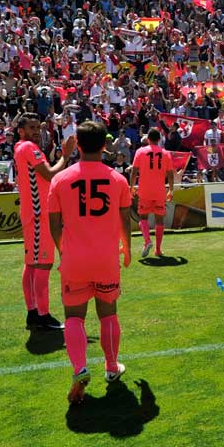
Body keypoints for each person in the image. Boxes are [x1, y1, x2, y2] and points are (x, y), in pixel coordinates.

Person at [47, 121, 133, 403]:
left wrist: (65, 251)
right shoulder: (118, 180)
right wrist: (127, 248)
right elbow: (125, 220)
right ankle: (111, 367)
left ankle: (80, 368)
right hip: (106, 259)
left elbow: (54, 224)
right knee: (108, 313)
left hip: (74, 260)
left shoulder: (60, 180)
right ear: (105, 146)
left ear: (78, 145)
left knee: (74, 317)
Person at [14, 112, 77, 331]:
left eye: (38, 127)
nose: (36, 131)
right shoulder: (28, 148)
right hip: (39, 213)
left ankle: (33, 313)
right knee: (43, 263)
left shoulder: (23, 148)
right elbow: (50, 175)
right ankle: (42, 314)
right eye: (31, 128)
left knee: (32, 264)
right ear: (21, 131)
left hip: (32, 211)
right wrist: (66, 156)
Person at [130, 128, 174, 258]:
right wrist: (171, 189)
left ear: (148, 139)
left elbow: (134, 171)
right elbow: (170, 174)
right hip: (160, 191)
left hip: (144, 190)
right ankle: (158, 250)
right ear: (159, 139)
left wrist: (131, 186)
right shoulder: (165, 153)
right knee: (159, 220)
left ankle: (147, 241)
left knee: (143, 217)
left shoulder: (140, 151)